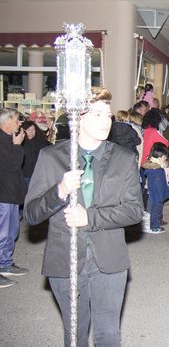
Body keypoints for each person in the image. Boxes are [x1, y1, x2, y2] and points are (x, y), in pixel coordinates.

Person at [24, 87, 144, 346]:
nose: (106, 121)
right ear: (77, 118)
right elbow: (32, 214)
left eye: (108, 115)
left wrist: (89, 218)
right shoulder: (51, 157)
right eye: (97, 114)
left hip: (109, 261)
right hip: (64, 260)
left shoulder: (122, 158)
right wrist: (60, 191)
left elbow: (134, 211)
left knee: (108, 334)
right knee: (75, 333)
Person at [0, 108, 28, 289]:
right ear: (6, 121)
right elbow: (12, 164)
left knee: (11, 231)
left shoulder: (9, 139)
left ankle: (5, 262)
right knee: (2, 232)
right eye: (17, 120)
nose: (20, 124)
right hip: (2, 194)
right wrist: (17, 145)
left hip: (11, 193)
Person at [141, 142, 169, 233]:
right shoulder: (157, 170)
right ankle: (155, 227)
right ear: (160, 158)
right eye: (164, 157)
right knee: (156, 210)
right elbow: (157, 185)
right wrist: (160, 196)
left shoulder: (156, 167)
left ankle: (154, 225)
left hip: (155, 193)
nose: (165, 159)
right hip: (156, 194)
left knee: (155, 209)